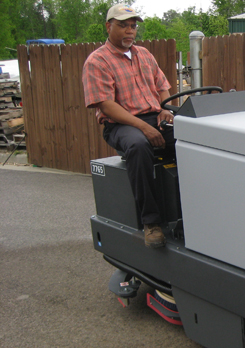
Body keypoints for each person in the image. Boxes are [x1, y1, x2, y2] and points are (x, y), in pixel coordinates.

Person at [82, 4, 174, 248]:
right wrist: (144, 127)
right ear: (108, 26)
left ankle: (191, 208)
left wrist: (165, 108)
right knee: (138, 145)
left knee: (192, 138)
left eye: (132, 26)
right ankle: (151, 222)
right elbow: (106, 106)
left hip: (154, 116)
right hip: (121, 124)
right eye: (123, 25)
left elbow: (162, 86)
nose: (129, 31)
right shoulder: (97, 61)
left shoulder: (144, 54)